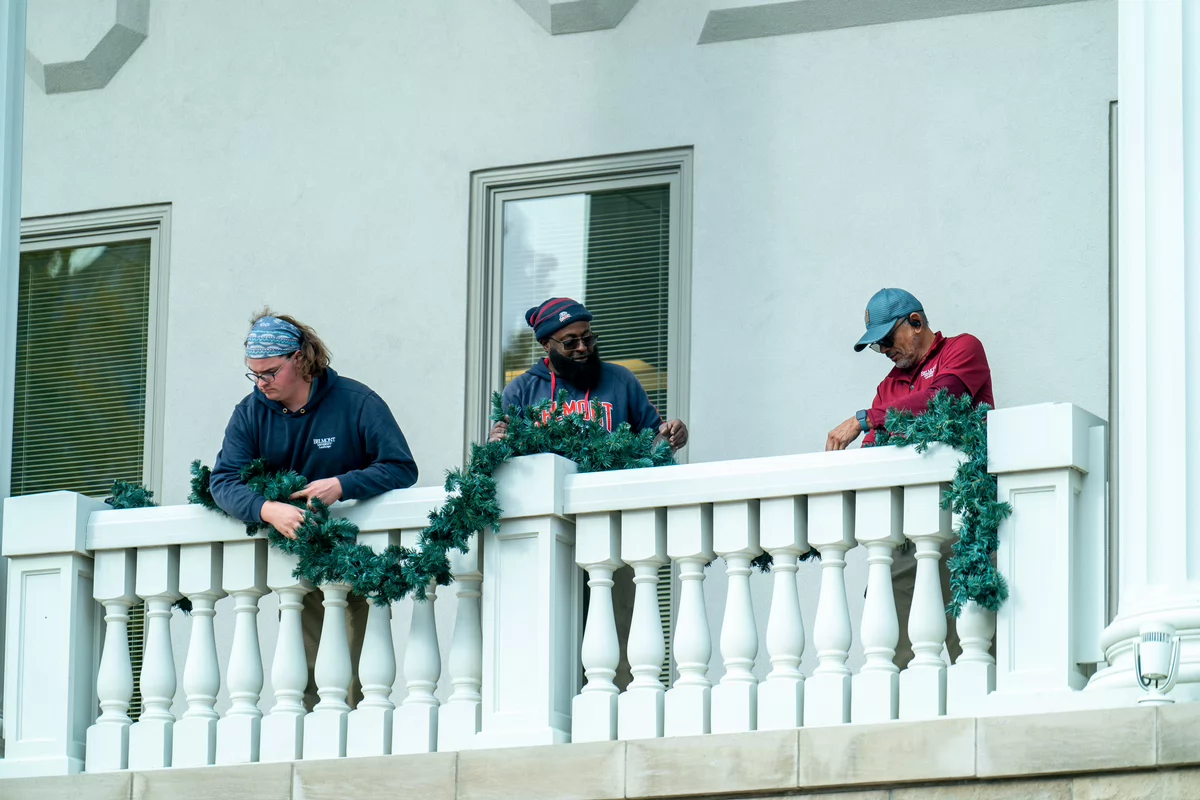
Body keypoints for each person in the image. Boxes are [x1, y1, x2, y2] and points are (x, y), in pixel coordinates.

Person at [210, 310, 418, 708]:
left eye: (269, 372)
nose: (261, 383)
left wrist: (342, 485)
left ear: (301, 360)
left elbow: (401, 467)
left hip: (359, 559)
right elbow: (222, 480)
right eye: (254, 374)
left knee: (359, 670)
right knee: (303, 670)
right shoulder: (250, 412)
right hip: (297, 559)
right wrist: (266, 509)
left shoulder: (357, 402)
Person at [825, 288, 995, 668]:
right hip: (904, 530)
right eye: (877, 345)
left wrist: (866, 418)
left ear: (916, 323)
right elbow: (874, 450)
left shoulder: (963, 349)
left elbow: (942, 398)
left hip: (962, 517)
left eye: (887, 339)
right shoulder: (888, 386)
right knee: (893, 648)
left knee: (972, 645)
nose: (884, 350)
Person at [489, 297, 688, 449]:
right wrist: (496, 443)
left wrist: (671, 435)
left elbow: (654, 443)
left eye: (588, 338)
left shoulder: (621, 380)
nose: (583, 347)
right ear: (546, 345)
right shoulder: (521, 390)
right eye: (570, 342)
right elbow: (504, 458)